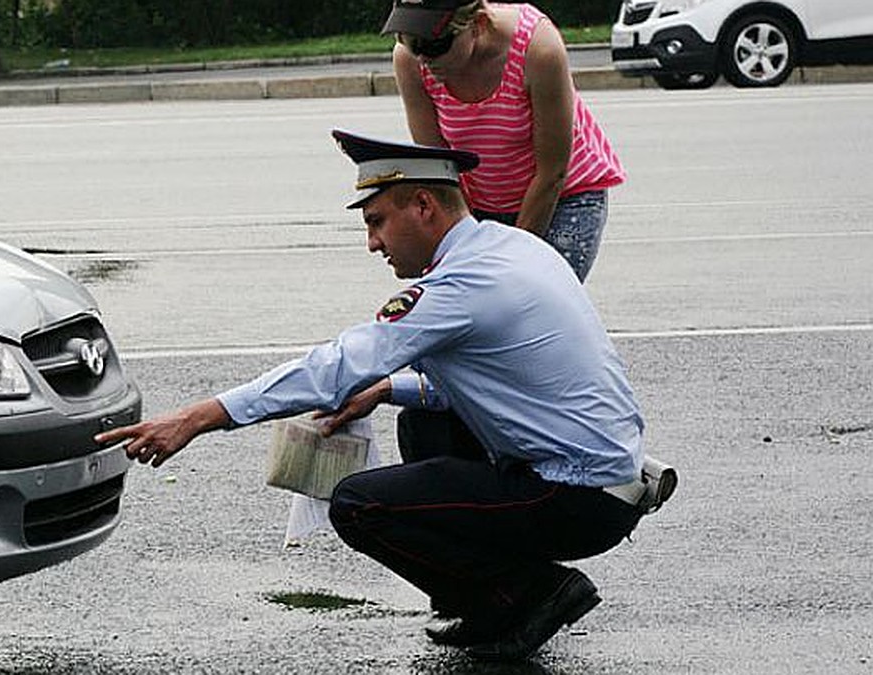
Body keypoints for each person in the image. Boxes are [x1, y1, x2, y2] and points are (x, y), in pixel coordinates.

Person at [95, 129, 647, 660]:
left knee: (360, 505)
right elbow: (500, 378)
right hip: (607, 482)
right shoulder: (507, 247)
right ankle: (485, 595)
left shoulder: (460, 286)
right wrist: (387, 389)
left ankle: (524, 594)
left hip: (573, 499)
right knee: (419, 418)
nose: (373, 243)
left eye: (377, 222)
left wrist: (196, 418)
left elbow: (333, 368)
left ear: (424, 206)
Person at [385, 0, 625, 282]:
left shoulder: (538, 49)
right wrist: (467, 246)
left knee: (534, 299)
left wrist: (510, 258)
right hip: (483, 200)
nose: (424, 58)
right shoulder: (411, 61)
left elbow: (552, 172)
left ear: (479, 24)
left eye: (435, 45)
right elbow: (440, 170)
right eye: (411, 43)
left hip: (564, 196)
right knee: (483, 308)